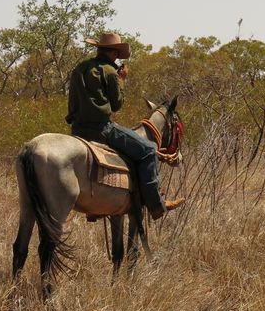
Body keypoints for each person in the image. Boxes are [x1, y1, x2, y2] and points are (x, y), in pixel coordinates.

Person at [66, 32, 183, 219]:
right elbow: (116, 105)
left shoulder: (80, 68)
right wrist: (122, 80)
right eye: (117, 55)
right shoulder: (110, 72)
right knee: (148, 149)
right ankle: (157, 204)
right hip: (102, 129)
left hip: (77, 129)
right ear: (113, 53)